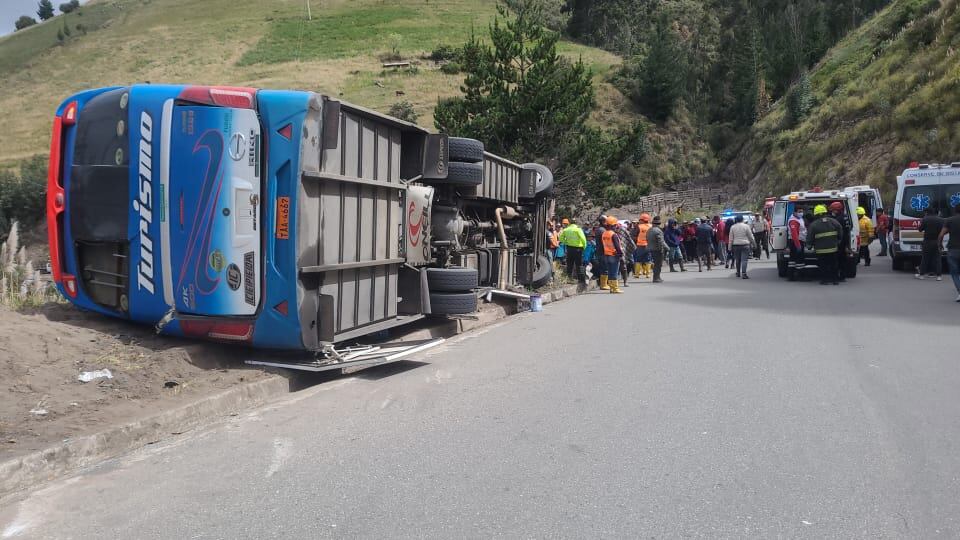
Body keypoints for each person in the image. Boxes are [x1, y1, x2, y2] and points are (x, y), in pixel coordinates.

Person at [807, 204, 843, 285]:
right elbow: (840, 230)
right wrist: (839, 240)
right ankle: (835, 280)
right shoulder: (834, 221)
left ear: (816, 214)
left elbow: (810, 236)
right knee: (833, 264)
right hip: (833, 248)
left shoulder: (813, 225)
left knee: (823, 265)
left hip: (820, 250)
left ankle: (825, 280)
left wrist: (809, 246)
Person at [938, 203, 960, 302]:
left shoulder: (950, 220)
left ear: (955, 210)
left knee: (954, 273)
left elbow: (941, 234)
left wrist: (940, 245)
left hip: (953, 249)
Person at [917, 207, 944, 280]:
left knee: (925, 258)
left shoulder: (925, 219)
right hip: (937, 241)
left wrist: (920, 223)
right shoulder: (940, 220)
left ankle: (922, 274)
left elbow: (920, 229)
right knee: (938, 258)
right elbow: (942, 232)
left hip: (927, 241)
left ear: (927, 212)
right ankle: (939, 276)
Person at [558, 218, 587, 283]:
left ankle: (569, 278)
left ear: (570, 223)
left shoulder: (566, 230)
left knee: (569, 263)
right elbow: (583, 239)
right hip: (578, 249)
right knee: (579, 264)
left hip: (569, 248)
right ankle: (581, 279)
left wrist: (566, 242)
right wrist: (584, 247)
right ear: (576, 223)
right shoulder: (578, 229)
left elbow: (560, 238)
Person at [727, 215, 756, 279]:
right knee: (744, 260)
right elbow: (751, 237)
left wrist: (729, 247)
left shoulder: (733, 227)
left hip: (736, 245)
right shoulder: (746, 226)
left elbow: (731, 239)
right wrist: (754, 244)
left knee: (738, 260)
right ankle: (744, 274)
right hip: (745, 245)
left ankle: (738, 272)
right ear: (742, 219)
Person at [829, 201, 851, 282]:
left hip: (839, 241)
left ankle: (837, 276)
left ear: (837, 210)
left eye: (833, 210)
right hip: (844, 241)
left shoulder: (838, 219)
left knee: (837, 259)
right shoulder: (845, 217)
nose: (832, 212)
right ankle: (842, 275)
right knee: (843, 259)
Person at [601, 216, 624, 293]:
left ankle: (611, 288)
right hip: (614, 255)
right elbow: (617, 246)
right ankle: (615, 288)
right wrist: (620, 254)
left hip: (606, 255)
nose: (616, 226)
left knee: (610, 272)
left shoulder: (604, 233)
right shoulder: (613, 234)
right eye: (615, 225)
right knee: (614, 272)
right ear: (613, 225)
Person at [787, 206, 807, 280]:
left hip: (798, 241)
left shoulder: (799, 219)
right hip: (796, 241)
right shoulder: (793, 221)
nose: (801, 213)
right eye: (799, 211)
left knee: (793, 259)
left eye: (801, 211)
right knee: (799, 259)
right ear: (794, 212)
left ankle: (791, 276)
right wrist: (798, 245)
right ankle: (800, 276)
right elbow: (794, 234)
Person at [647, 215, 666, 283]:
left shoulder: (649, 230)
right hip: (657, 249)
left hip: (650, 249)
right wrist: (666, 248)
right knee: (658, 264)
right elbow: (661, 242)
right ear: (659, 223)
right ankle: (656, 278)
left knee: (656, 263)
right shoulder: (658, 231)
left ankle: (657, 277)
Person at [634, 213, 652, 279]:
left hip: (640, 245)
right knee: (648, 259)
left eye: (640, 219)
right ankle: (648, 274)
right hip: (648, 245)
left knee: (638, 259)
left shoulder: (639, 226)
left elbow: (634, 236)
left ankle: (637, 274)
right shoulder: (651, 226)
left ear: (642, 220)